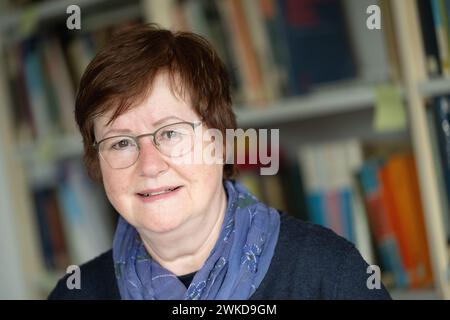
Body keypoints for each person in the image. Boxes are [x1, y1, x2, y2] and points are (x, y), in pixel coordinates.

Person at [48, 24, 391, 300]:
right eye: (121, 142)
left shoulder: (326, 273)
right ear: (98, 162)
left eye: (170, 134)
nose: (149, 166)